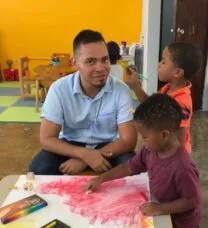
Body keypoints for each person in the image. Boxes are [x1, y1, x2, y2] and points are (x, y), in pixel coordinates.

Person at [29, 29, 137, 175]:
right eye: (90, 61)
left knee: (133, 167)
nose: (100, 68)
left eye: (104, 59)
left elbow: (128, 140)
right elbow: (47, 139)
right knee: (40, 168)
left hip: (109, 146)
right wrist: (84, 154)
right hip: (71, 144)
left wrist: (87, 158)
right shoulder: (59, 89)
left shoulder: (121, 90)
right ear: (75, 63)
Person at [85, 94, 202, 228]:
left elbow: (191, 200)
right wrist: (102, 178)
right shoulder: (150, 150)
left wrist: (161, 208)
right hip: (160, 212)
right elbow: (129, 167)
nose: (143, 142)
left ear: (164, 135)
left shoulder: (183, 167)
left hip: (179, 223)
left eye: (144, 137)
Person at [127, 43, 202, 153]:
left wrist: (165, 159)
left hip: (171, 156)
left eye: (163, 62)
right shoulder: (167, 88)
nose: (158, 65)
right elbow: (151, 106)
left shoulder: (182, 103)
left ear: (177, 72)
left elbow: (179, 139)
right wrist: (136, 86)